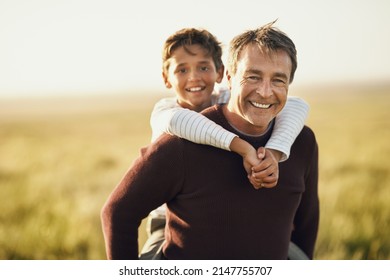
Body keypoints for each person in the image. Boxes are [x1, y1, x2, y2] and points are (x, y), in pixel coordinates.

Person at [101, 22, 319, 259]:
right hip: (164, 224)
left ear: (217, 73)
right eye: (253, 77)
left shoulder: (301, 141)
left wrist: (275, 152)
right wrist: (242, 147)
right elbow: (118, 213)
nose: (265, 92)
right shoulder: (177, 134)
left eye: (278, 80)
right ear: (229, 77)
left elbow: (307, 220)